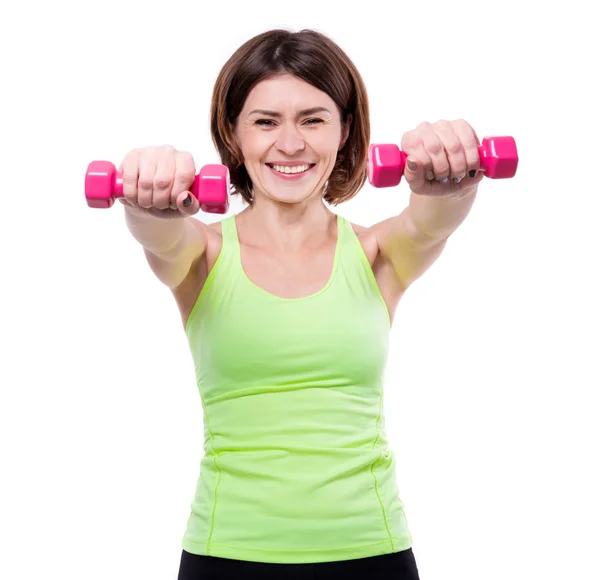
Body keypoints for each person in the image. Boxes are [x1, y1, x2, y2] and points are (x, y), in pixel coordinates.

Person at [119, 28, 484, 580]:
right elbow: (158, 235)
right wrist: (148, 195)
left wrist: (449, 177)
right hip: (227, 555)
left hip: (372, 554)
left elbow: (435, 218)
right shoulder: (204, 255)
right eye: (266, 122)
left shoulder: (377, 253)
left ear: (345, 130)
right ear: (234, 134)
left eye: (312, 119)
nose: (290, 145)